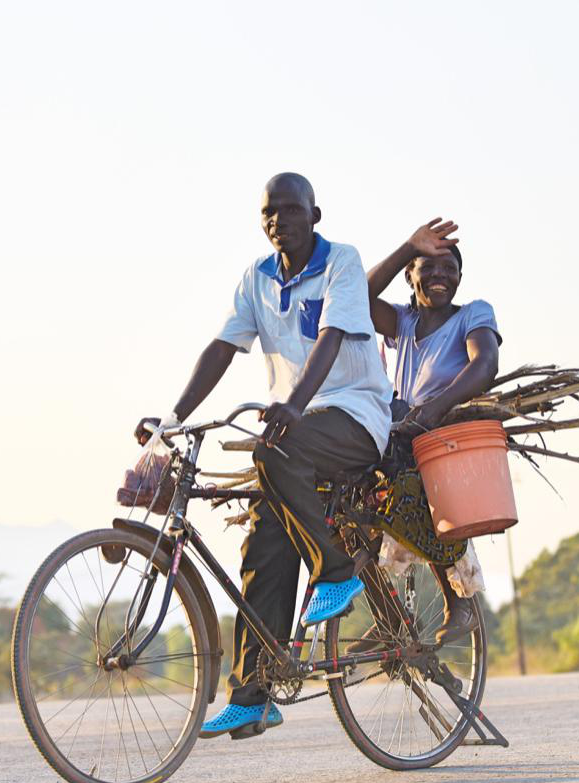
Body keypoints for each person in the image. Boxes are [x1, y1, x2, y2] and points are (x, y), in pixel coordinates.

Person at [135, 173, 392, 739]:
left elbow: (330, 338)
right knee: (263, 551)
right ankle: (252, 695)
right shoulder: (257, 277)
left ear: (314, 215)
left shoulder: (341, 263)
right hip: (295, 434)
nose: (279, 220)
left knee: (275, 451)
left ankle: (338, 570)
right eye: (269, 213)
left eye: (290, 210)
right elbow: (225, 346)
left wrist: (295, 404)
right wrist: (171, 418)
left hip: (354, 417)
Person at [352, 218, 502, 649]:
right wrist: (406, 246)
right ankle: (389, 616)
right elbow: (354, 298)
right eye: (427, 267)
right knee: (349, 515)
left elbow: (484, 365)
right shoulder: (400, 322)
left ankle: (461, 604)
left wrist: (433, 411)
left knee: (420, 498)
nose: (440, 276)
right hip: (399, 431)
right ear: (409, 275)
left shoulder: (473, 314)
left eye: (449, 268)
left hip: (444, 433)